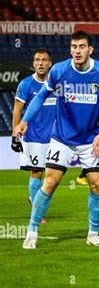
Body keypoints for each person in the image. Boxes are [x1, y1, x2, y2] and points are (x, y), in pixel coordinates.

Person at [15, 31, 99, 249]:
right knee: (51, 181)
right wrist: (25, 120)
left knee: (97, 184)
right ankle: (32, 231)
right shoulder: (59, 70)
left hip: (91, 138)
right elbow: (40, 97)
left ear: (90, 49)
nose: (77, 51)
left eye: (82, 46)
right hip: (62, 137)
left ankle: (93, 233)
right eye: (74, 47)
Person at [11, 48, 54, 224]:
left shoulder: (56, 84)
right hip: (34, 137)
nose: (40, 63)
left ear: (50, 63)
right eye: (37, 60)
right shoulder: (26, 84)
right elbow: (17, 110)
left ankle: (34, 199)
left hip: (54, 138)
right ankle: (36, 208)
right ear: (33, 63)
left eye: (44, 60)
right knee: (37, 171)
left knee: (52, 174)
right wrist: (15, 135)